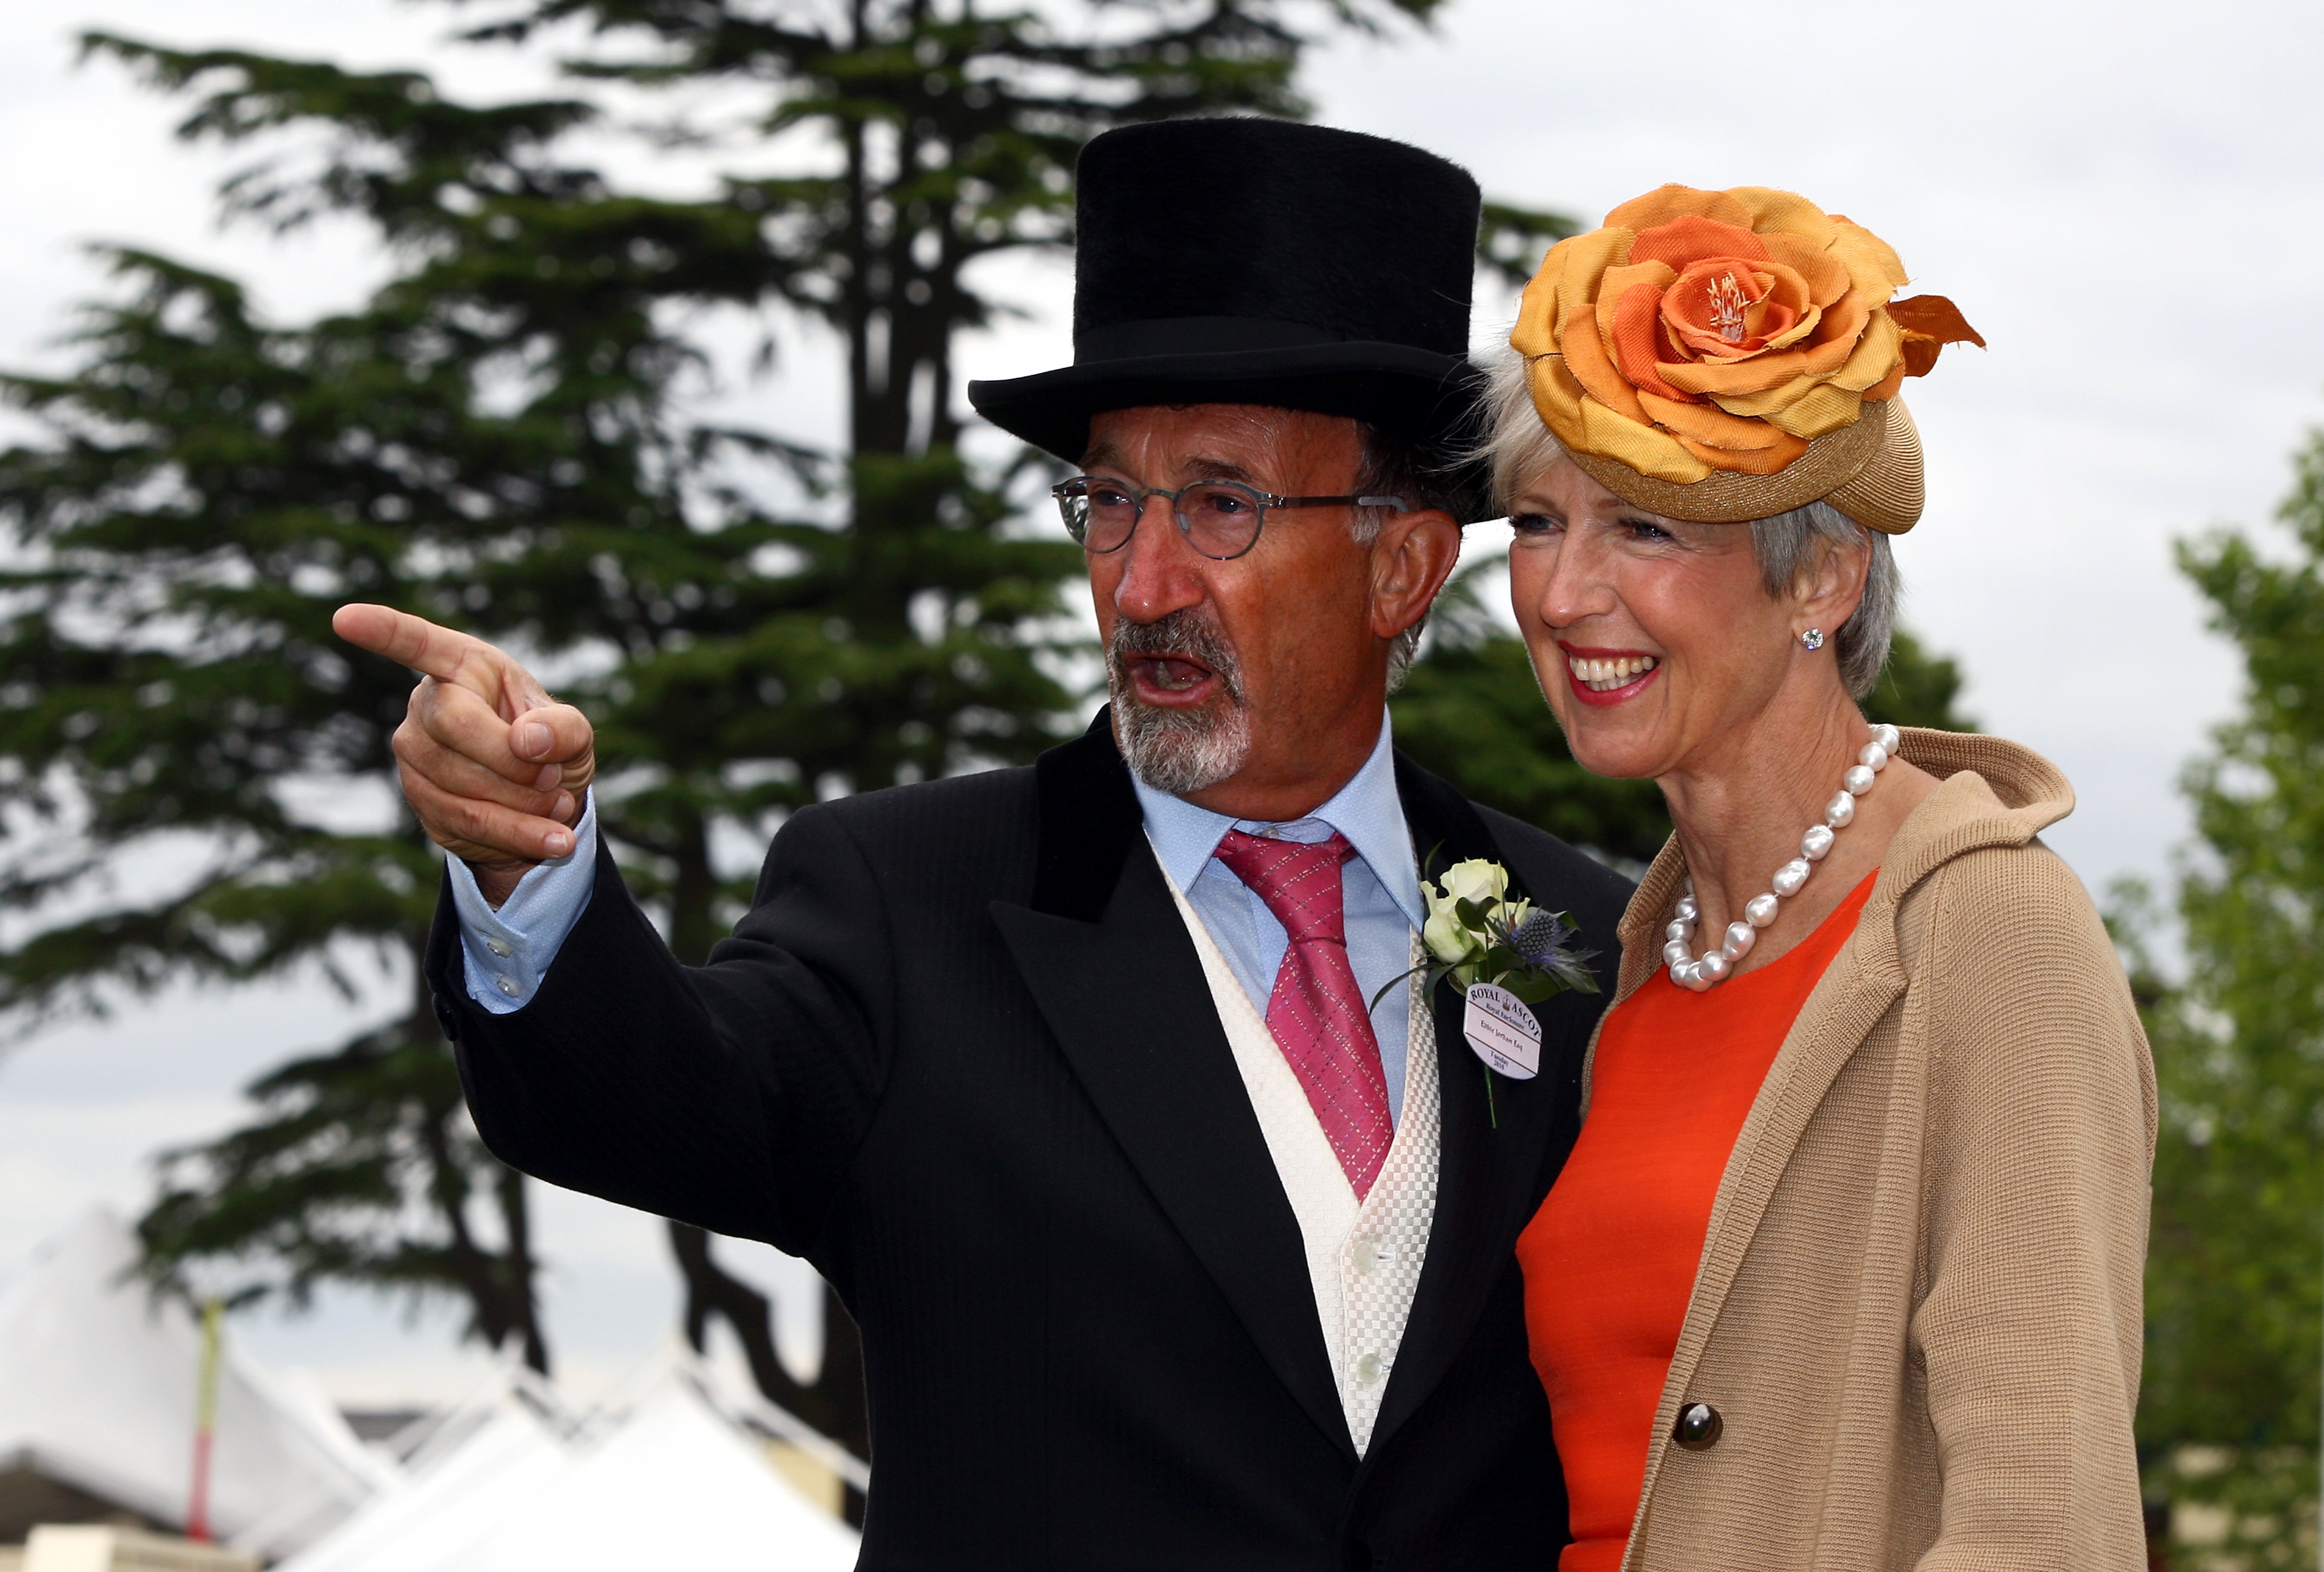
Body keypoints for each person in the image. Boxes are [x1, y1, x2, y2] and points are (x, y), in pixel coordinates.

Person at [335, 119, 1633, 1570]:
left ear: (1401, 563)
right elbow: (651, 1094)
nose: (1142, 584)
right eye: (1106, 502)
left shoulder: (1582, 940)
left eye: (1219, 505)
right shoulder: (909, 901)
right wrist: (526, 871)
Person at [1482, 183, 2156, 1569]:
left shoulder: (1989, 933)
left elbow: (2042, 1523)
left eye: (1644, 529)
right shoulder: (1641, 960)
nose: (1559, 596)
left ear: (1825, 582)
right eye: (1537, 524)